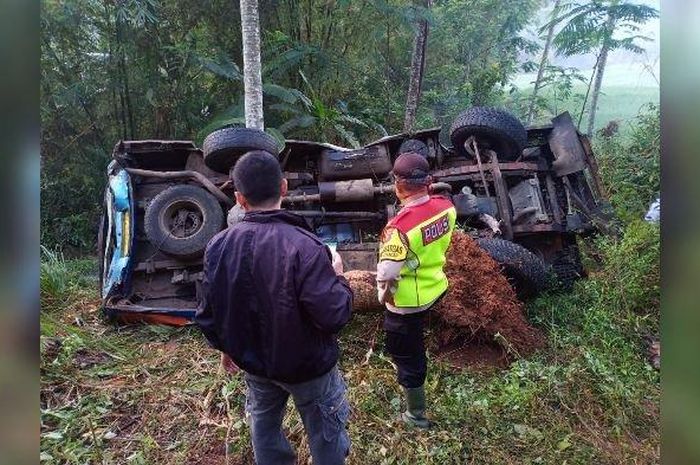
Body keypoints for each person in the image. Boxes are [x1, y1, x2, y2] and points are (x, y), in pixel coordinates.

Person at [196, 150, 353, 465]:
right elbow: (334, 314)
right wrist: (338, 277)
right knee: (325, 434)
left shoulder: (218, 245)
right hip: (308, 368)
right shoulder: (307, 246)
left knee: (264, 428)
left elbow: (208, 311)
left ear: (240, 199)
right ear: (283, 187)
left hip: (254, 363)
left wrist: (226, 348)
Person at [376, 151, 456, 429]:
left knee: (408, 357)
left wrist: (381, 296)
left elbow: (387, 273)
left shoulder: (399, 228)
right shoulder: (446, 207)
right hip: (436, 286)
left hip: (407, 304)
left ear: (398, 185)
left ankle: (415, 416)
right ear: (428, 181)